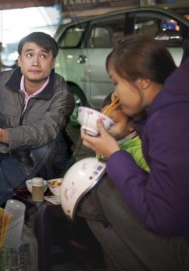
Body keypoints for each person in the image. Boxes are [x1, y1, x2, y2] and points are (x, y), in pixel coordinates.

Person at [78, 34, 189, 270]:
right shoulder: (177, 103)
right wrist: (130, 127)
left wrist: (114, 155)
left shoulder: (168, 121)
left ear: (143, 82)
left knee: (92, 186)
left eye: (115, 81)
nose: (115, 95)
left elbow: (163, 219)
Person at [0, 32, 75, 205]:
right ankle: (6, 201)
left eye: (43, 56)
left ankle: (10, 195)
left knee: (50, 146)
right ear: (20, 60)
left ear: (52, 63)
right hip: (7, 154)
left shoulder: (63, 93)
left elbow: (45, 132)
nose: (35, 62)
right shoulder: (3, 81)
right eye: (29, 55)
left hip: (40, 161)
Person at [100, 95, 148, 171]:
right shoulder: (106, 142)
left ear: (131, 125)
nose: (105, 127)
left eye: (112, 123)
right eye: (103, 121)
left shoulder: (141, 152)